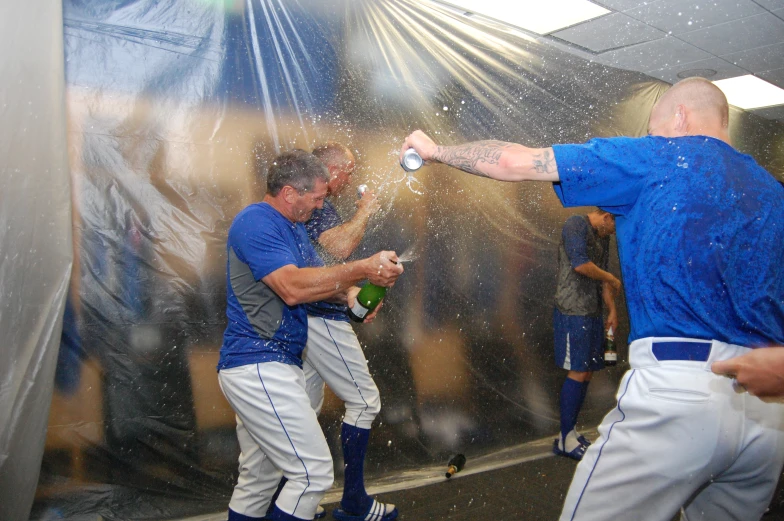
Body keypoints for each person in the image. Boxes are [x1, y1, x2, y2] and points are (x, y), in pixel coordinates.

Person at [400, 76, 784, 521]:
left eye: (654, 126)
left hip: (680, 394)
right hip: (768, 407)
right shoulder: (771, 190)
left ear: (679, 118)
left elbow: (513, 161)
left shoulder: (656, 155)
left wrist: (434, 150)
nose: (650, 136)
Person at [217, 150, 403, 521]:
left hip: (273, 364)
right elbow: (291, 288)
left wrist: (352, 294)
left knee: (259, 479)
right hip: (257, 364)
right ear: (289, 193)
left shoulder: (295, 229)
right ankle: (354, 503)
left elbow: (318, 283)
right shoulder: (256, 222)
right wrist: (363, 267)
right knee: (312, 472)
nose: (322, 204)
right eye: (317, 197)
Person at [302, 143, 398, 521]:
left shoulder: (312, 207)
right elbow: (340, 246)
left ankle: (297, 504)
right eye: (349, 170)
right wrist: (365, 211)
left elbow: (318, 263)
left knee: (303, 409)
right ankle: (355, 501)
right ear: (331, 171)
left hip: (307, 314)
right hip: (320, 318)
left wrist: (350, 296)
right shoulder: (319, 205)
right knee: (365, 401)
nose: (352, 178)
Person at [551, 209, 619, 461]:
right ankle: (565, 438)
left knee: (586, 370)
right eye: (613, 226)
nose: (613, 232)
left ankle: (570, 433)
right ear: (606, 216)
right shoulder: (575, 224)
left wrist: (612, 311)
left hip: (592, 310)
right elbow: (581, 265)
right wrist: (611, 277)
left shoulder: (603, 235)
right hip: (572, 310)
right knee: (577, 370)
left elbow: (602, 278)